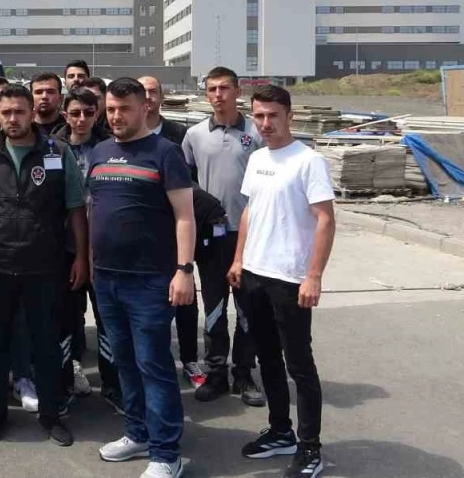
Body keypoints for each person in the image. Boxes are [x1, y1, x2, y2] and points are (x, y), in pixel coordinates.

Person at [89, 77, 196, 478]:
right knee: (125, 362)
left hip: (150, 281)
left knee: (154, 364)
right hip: (107, 279)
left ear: (144, 108)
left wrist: (184, 270)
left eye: (125, 109)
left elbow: (185, 216)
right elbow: (93, 209)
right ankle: (137, 433)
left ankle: (167, 454)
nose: (116, 116)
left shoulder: (165, 153)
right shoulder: (100, 151)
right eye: (111, 109)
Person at [230, 85, 336, 478]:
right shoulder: (258, 158)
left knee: (299, 365)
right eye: (259, 116)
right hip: (254, 274)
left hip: (290, 280)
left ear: (289, 115)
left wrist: (313, 276)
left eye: (273, 115)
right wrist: (239, 259)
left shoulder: (309, 161)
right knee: (267, 358)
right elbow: (249, 212)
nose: (265, 123)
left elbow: (325, 219)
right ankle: (280, 431)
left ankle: (310, 448)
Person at [0, 85, 85, 448]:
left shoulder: (58, 151)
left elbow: (75, 208)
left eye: (19, 112)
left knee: (46, 345)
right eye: (5, 112)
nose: (11, 119)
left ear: (32, 112)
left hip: (45, 266)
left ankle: (51, 415)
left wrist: (81, 256)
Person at [180, 67, 265, 406]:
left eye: (224, 88)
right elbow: (184, 182)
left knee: (248, 308)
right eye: (212, 89)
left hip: (249, 236)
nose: (218, 95)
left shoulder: (256, 132)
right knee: (214, 307)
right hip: (212, 238)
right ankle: (216, 373)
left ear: (238, 91)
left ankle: (243, 373)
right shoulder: (194, 135)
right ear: (206, 94)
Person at [51, 88, 118, 409]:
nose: (81, 119)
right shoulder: (50, 148)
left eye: (88, 113)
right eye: (75, 113)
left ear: (97, 114)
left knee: (107, 319)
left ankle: (113, 384)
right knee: (64, 320)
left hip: (105, 247)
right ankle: (65, 380)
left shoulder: (110, 148)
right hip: (64, 249)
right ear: (65, 114)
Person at [138, 75, 201, 386]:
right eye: (142, 92)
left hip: (174, 229)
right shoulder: (120, 134)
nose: (148, 97)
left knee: (184, 296)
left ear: (162, 97)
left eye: (153, 91)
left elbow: (191, 183)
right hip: (141, 235)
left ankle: (190, 359)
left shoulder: (179, 135)